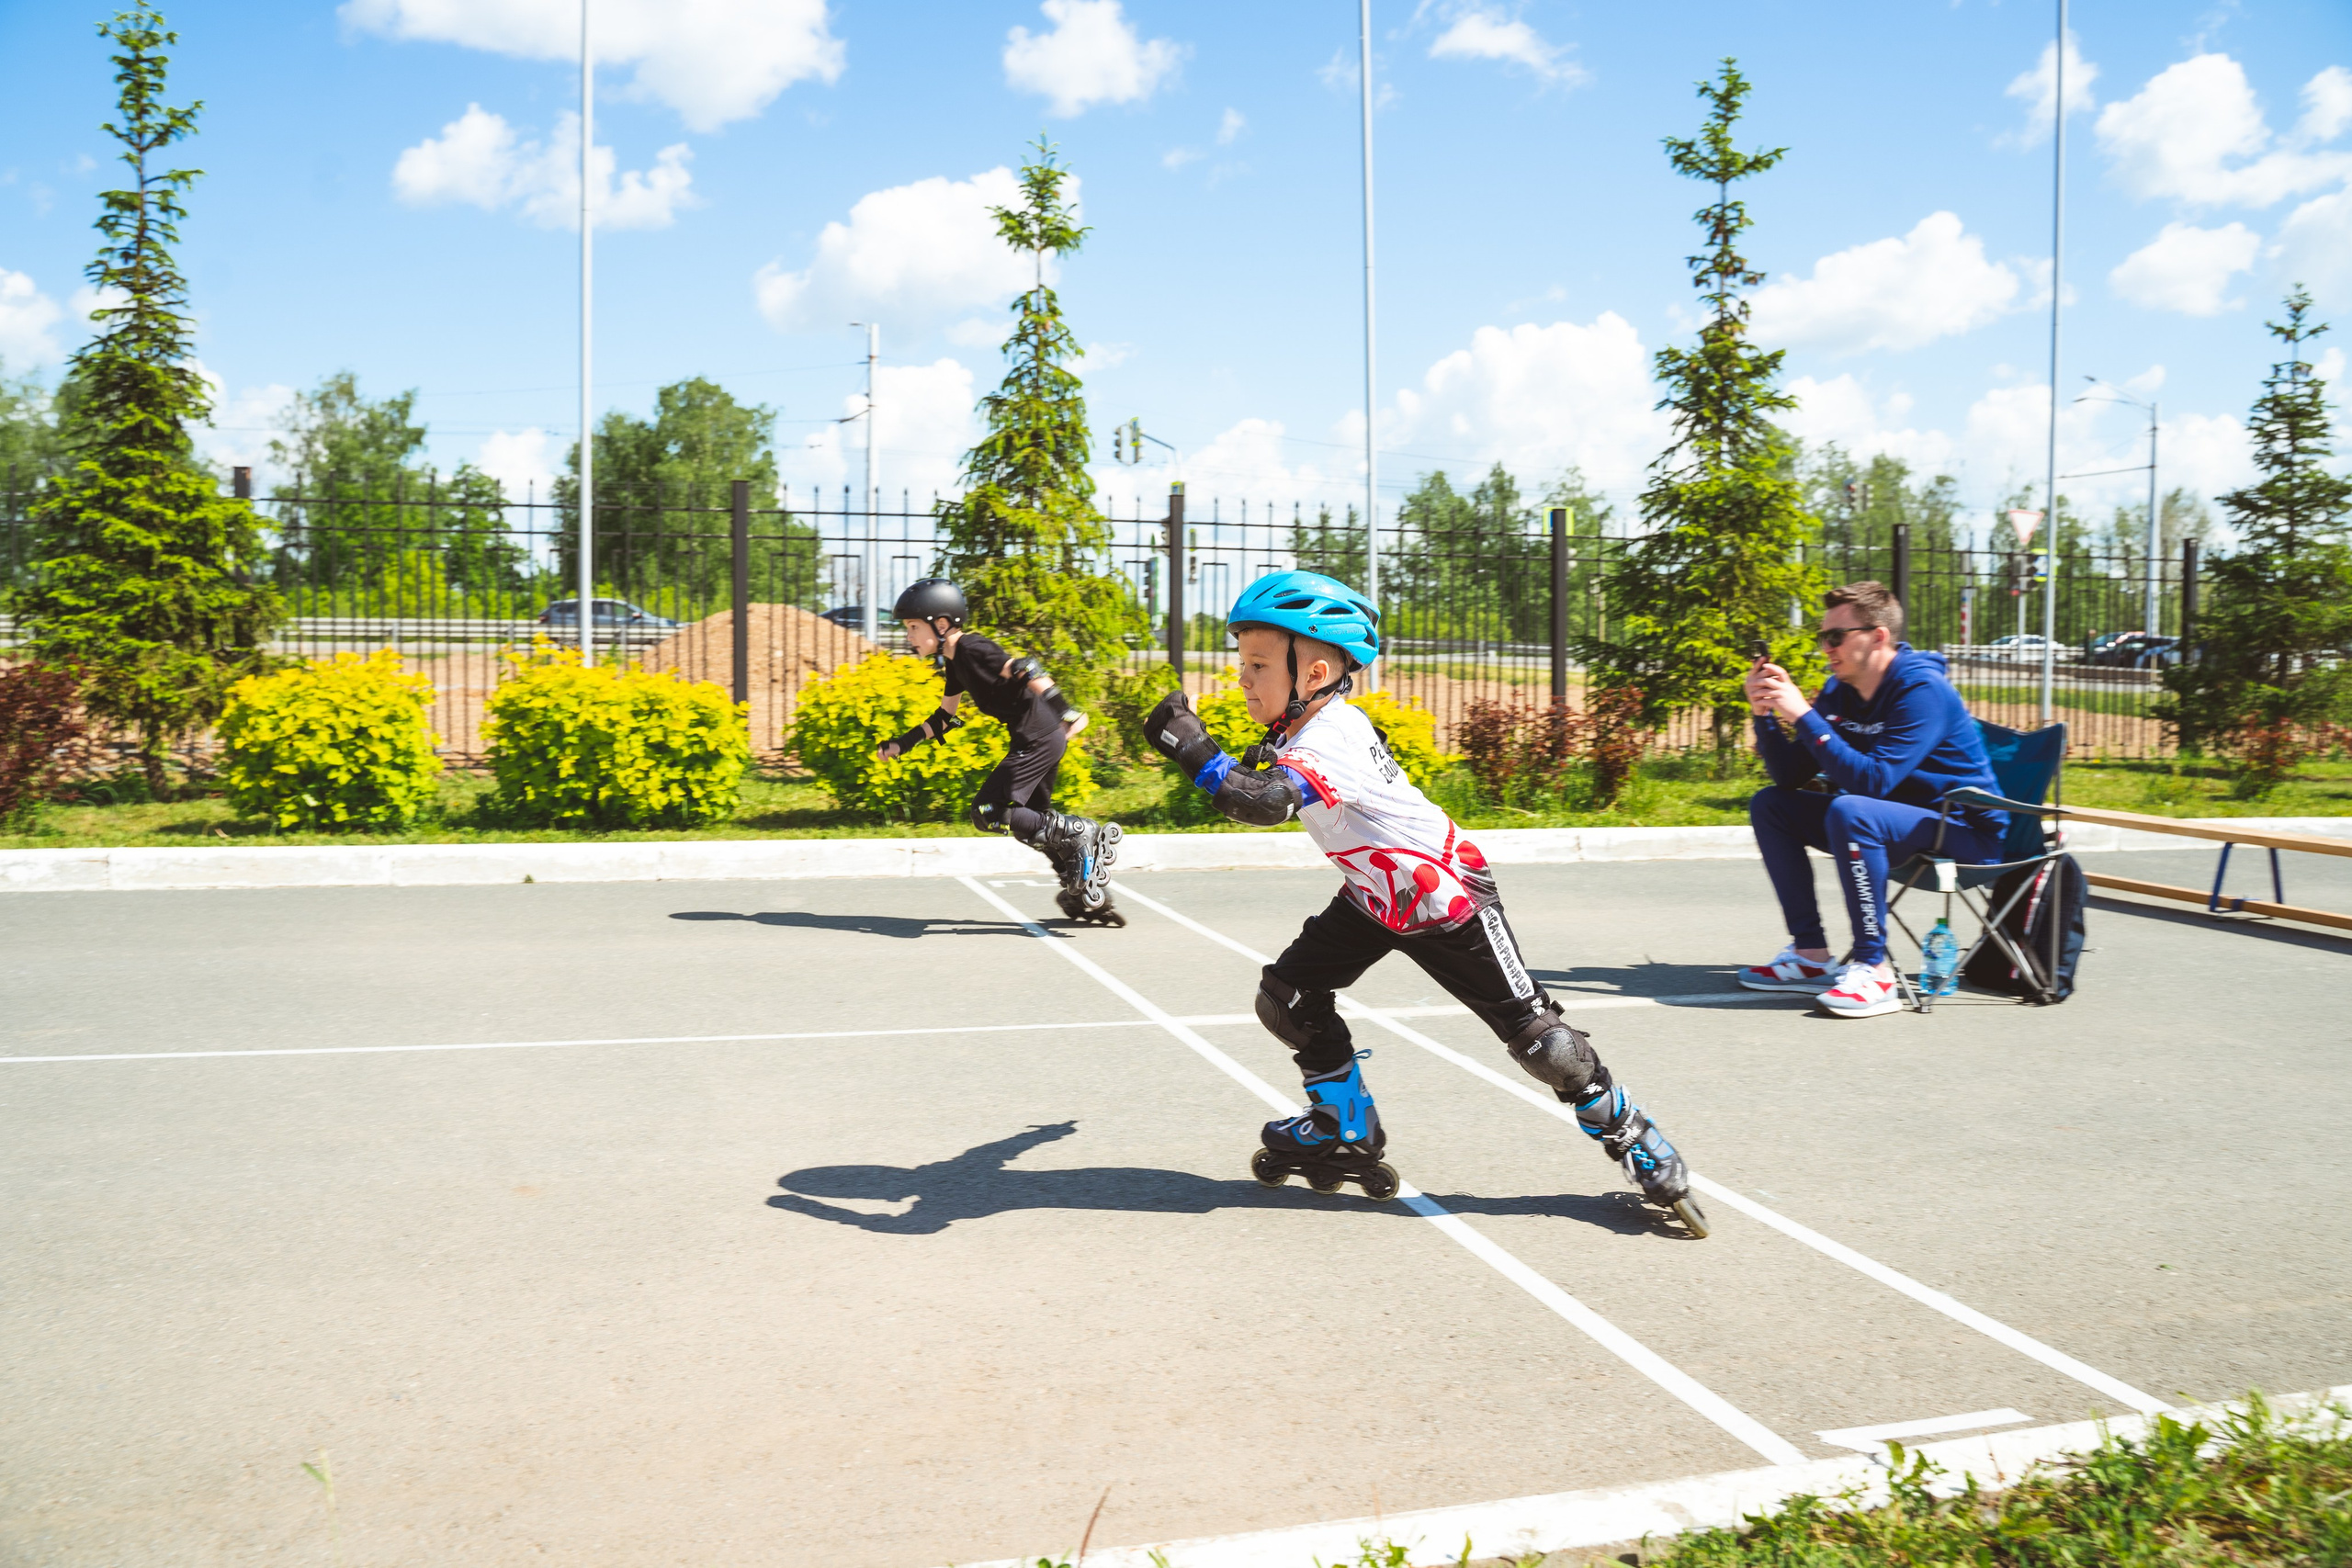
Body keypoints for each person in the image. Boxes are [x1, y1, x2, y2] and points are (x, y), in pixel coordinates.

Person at [1146, 571, 1708, 1236]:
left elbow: (1259, 802)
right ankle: (1342, 1124)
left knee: (1540, 1042)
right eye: (1241, 664)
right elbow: (1252, 784)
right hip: (1378, 898)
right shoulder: (1298, 730)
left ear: (1315, 671)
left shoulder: (1335, 736)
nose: (1241, 678)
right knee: (1288, 995)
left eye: (1258, 665)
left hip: (1448, 899)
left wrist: (1192, 747)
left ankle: (1630, 1130)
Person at [1739, 581, 2009, 1018]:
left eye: (1836, 636)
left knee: (1853, 810)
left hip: (1963, 831)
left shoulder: (1922, 690)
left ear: (1878, 636)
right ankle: (1810, 955)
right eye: (1823, 637)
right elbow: (1790, 775)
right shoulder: (1840, 690)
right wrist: (1765, 714)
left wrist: (1804, 716)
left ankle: (1873, 968)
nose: (1826, 647)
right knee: (1772, 805)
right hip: (1893, 821)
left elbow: (1873, 782)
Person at [879, 578, 1125, 925]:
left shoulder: (973, 648)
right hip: (1035, 738)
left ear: (942, 624)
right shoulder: (955, 663)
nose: (909, 636)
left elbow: (1025, 668)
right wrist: (901, 744)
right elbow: (945, 717)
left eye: (913, 627)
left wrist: (1066, 710)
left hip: (1039, 737)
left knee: (988, 811)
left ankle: (1080, 833)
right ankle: (1081, 889)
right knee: (1033, 823)